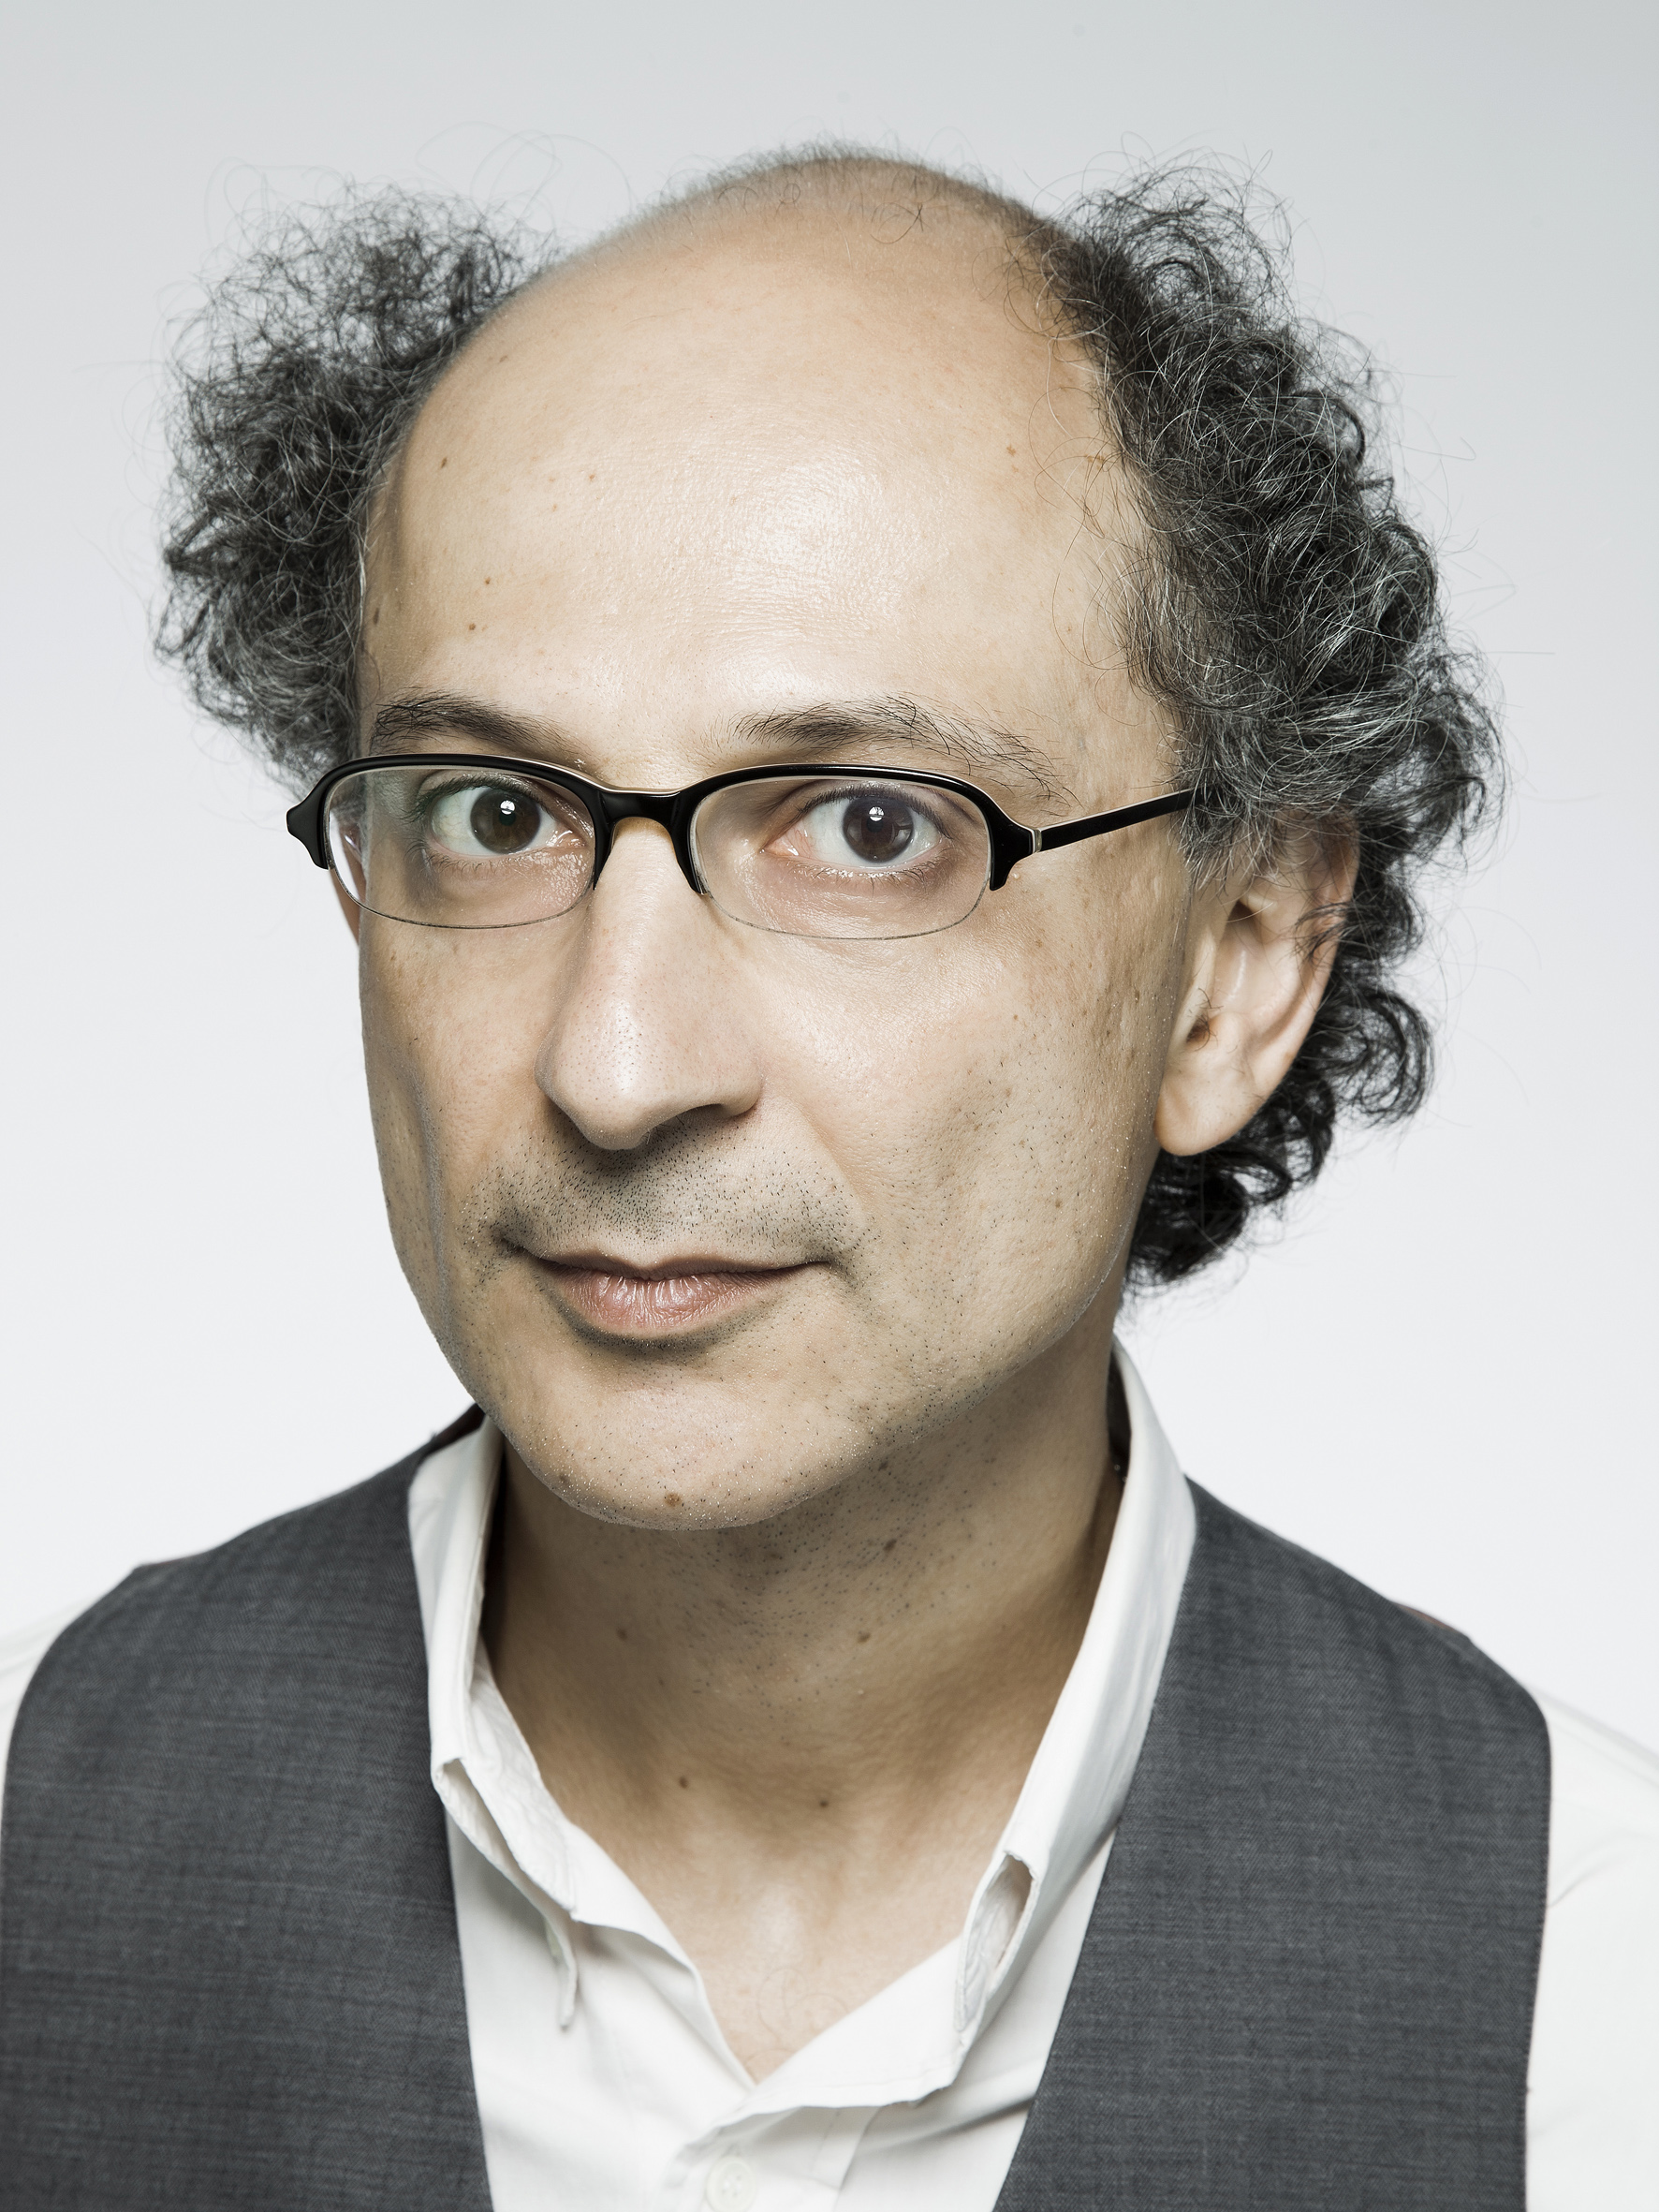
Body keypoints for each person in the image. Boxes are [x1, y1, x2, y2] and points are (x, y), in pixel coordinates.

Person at [1, 151, 1653, 2210]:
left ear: (1238, 962)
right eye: (495, 812)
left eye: (870, 826)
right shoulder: (35, 1840)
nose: (616, 1065)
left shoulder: (1599, 2016)